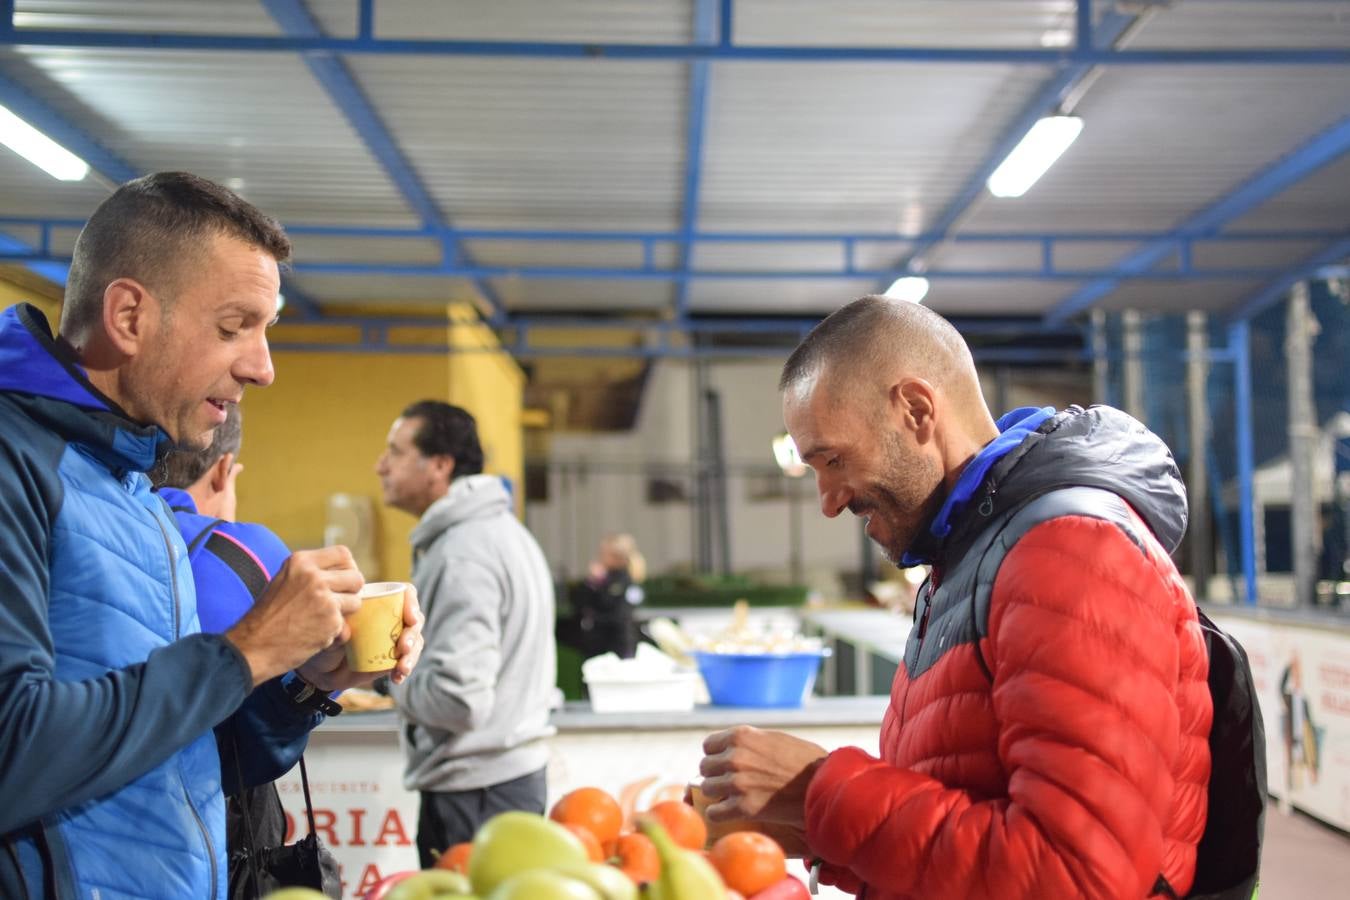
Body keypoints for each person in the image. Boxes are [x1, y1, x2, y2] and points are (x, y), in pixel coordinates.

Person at [698, 296, 1213, 899]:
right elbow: (959, 831)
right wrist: (805, 827)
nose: (829, 500)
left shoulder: (1072, 554)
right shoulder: (967, 559)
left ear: (916, 411)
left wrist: (820, 791)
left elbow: (1077, 877)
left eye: (834, 459)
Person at [0, 172, 423, 899]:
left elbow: (185, 760)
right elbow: (13, 752)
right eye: (234, 327)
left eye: (266, 331)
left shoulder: (132, 488)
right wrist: (244, 651)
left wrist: (296, 683)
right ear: (129, 315)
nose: (263, 367)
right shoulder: (16, 464)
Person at [153, 404, 363, 894]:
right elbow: (266, 730)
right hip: (226, 812)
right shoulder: (249, 551)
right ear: (225, 470)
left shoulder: (97, 534)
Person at [375, 400, 558, 867]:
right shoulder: (498, 532)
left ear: (439, 465)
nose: (381, 466)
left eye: (395, 452)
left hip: (476, 795)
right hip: (498, 786)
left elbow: (459, 700)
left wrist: (380, 676)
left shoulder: (463, 552)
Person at [570, 532, 647, 659]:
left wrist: (600, 586)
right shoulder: (600, 579)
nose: (600, 557)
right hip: (596, 644)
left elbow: (619, 612)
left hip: (618, 646)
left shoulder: (628, 581)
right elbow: (578, 603)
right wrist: (592, 583)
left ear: (617, 556)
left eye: (604, 553)